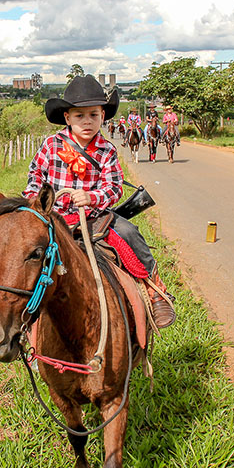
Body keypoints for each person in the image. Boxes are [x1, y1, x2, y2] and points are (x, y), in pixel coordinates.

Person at [23, 75, 176, 328]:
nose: (87, 121)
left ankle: (155, 290)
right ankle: (18, 306)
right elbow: (34, 178)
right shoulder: (51, 145)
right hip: (54, 216)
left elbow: (114, 188)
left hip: (95, 217)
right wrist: (36, 203)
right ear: (67, 118)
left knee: (129, 231)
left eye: (93, 115)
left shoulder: (107, 150)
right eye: (79, 115)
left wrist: (92, 198)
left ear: (103, 117)